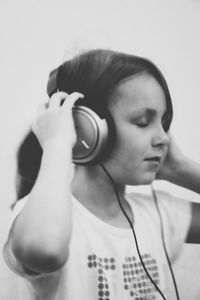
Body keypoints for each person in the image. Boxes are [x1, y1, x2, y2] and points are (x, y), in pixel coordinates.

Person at [3, 49, 200, 300]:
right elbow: (46, 248)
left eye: (164, 122)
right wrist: (57, 144)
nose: (163, 137)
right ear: (87, 128)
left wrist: (181, 168)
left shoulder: (160, 214)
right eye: (143, 121)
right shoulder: (39, 218)